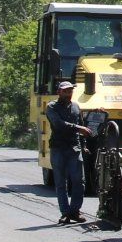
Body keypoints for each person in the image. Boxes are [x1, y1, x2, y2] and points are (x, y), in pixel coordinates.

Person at [44, 79, 91, 224]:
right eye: (65, 91)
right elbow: (58, 124)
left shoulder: (76, 107)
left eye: (70, 91)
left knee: (79, 181)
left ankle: (75, 211)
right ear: (59, 92)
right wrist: (78, 129)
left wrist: (84, 145)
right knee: (60, 182)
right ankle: (65, 213)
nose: (68, 94)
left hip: (74, 148)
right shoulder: (51, 107)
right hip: (58, 148)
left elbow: (82, 127)